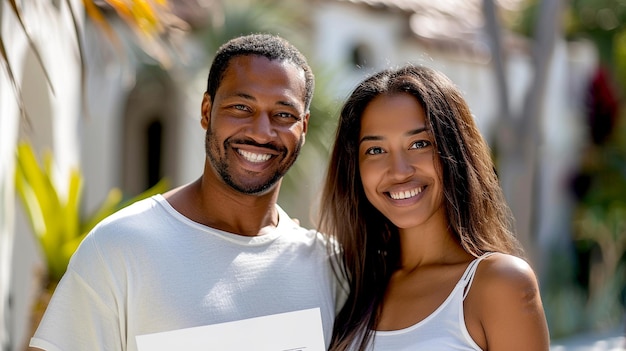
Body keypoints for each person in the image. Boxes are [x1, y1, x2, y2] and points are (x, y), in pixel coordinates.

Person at [30, 33, 342, 351]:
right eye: (241, 107)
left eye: (284, 115)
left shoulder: (328, 268)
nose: (261, 132)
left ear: (303, 127)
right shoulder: (120, 246)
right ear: (206, 111)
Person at [318, 65, 550, 350]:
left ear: (454, 152)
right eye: (376, 150)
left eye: (419, 143)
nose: (399, 171)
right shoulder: (349, 288)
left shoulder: (499, 283)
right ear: (355, 168)